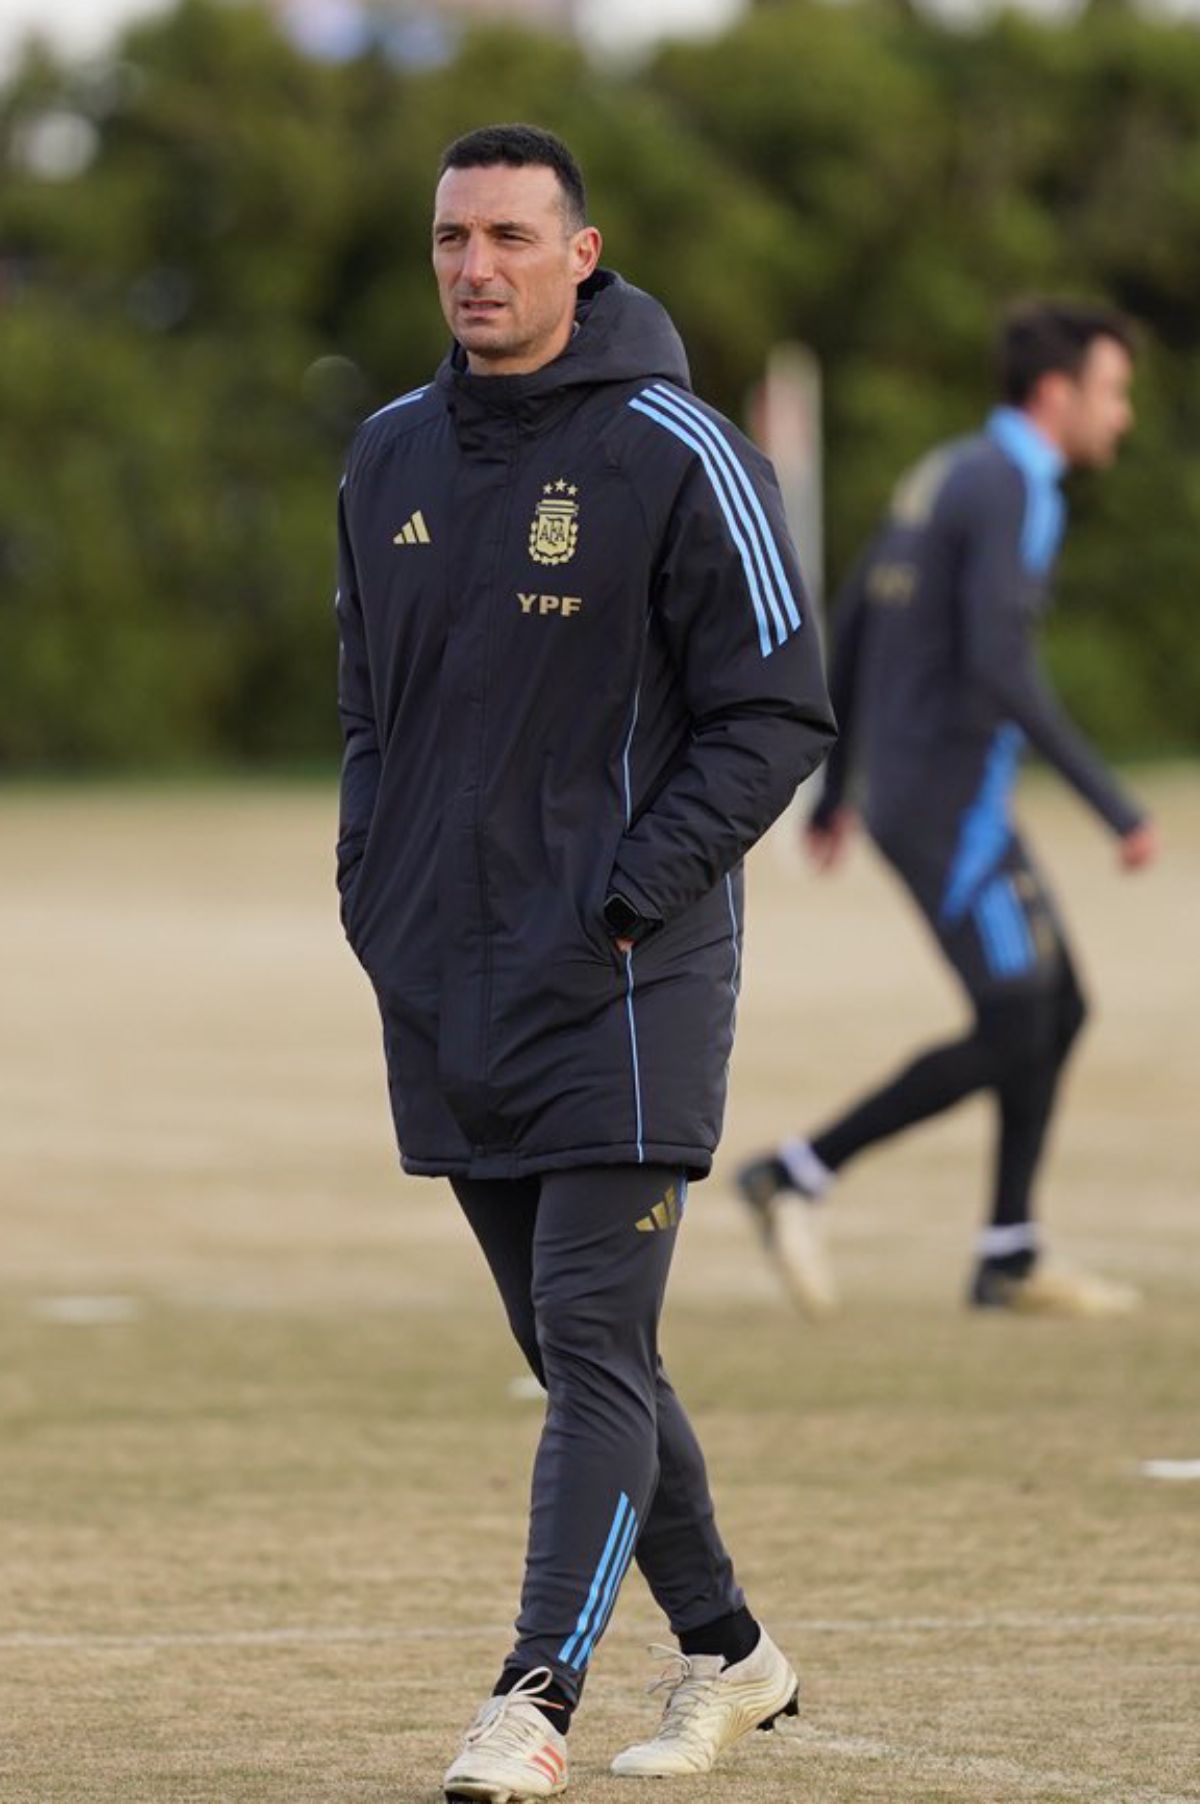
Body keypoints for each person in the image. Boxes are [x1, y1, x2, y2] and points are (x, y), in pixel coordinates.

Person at [334, 124, 836, 1802]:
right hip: (445, 976)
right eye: (450, 237)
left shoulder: (677, 449)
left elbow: (778, 712)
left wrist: (630, 894)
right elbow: (368, 712)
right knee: (578, 1350)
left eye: (508, 236)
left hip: (630, 978)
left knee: (593, 1337)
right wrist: (375, 894)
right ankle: (735, 1652)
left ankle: (528, 1697)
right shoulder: (387, 456)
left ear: (582, 253)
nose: (474, 266)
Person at [737, 300, 1158, 1321]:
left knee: (1057, 1007)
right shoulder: (1015, 485)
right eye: (1112, 391)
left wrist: (838, 787)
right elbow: (999, 664)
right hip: (948, 804)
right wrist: (1113, 805)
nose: (1124, 415)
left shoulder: (952, 470)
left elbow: (855, 615)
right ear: (1055, 393)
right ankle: (797, 1172)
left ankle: (1009, 1250)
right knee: (1017, 1017)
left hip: (925, 793)